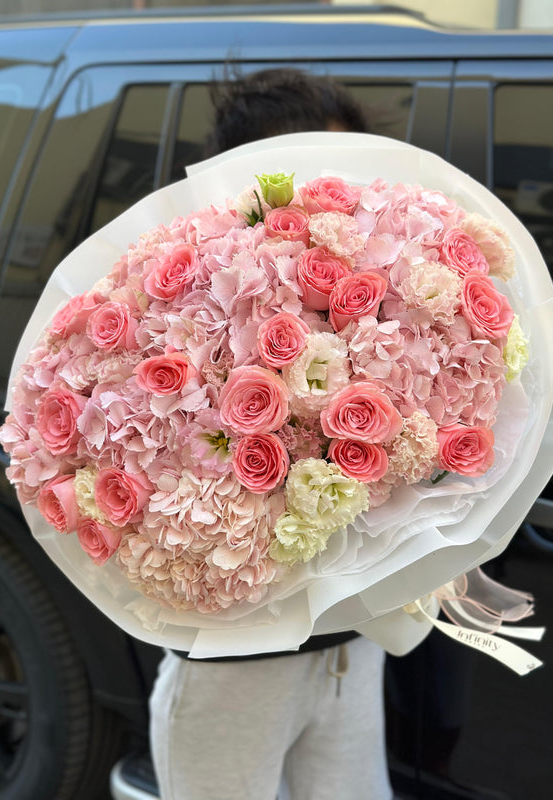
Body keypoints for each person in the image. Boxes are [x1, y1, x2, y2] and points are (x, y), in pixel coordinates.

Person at [148, 68, 393, 800]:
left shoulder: (389, 294)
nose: (324, 192)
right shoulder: (179, 309)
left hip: (353, 652)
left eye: (342, 167)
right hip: (235, 663)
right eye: (300, 170)